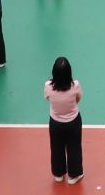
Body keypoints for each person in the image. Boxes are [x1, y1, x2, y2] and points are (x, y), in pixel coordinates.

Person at [44, 57, 84, 185]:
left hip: (55, 122)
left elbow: (47, 98)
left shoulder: (48, 86)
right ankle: (74, 176)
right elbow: (78, 98)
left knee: (56, 148)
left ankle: (58, 174)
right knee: (74, 148)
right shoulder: (75, 85)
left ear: (54, 72)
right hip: (73, 122)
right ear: (69, 72)